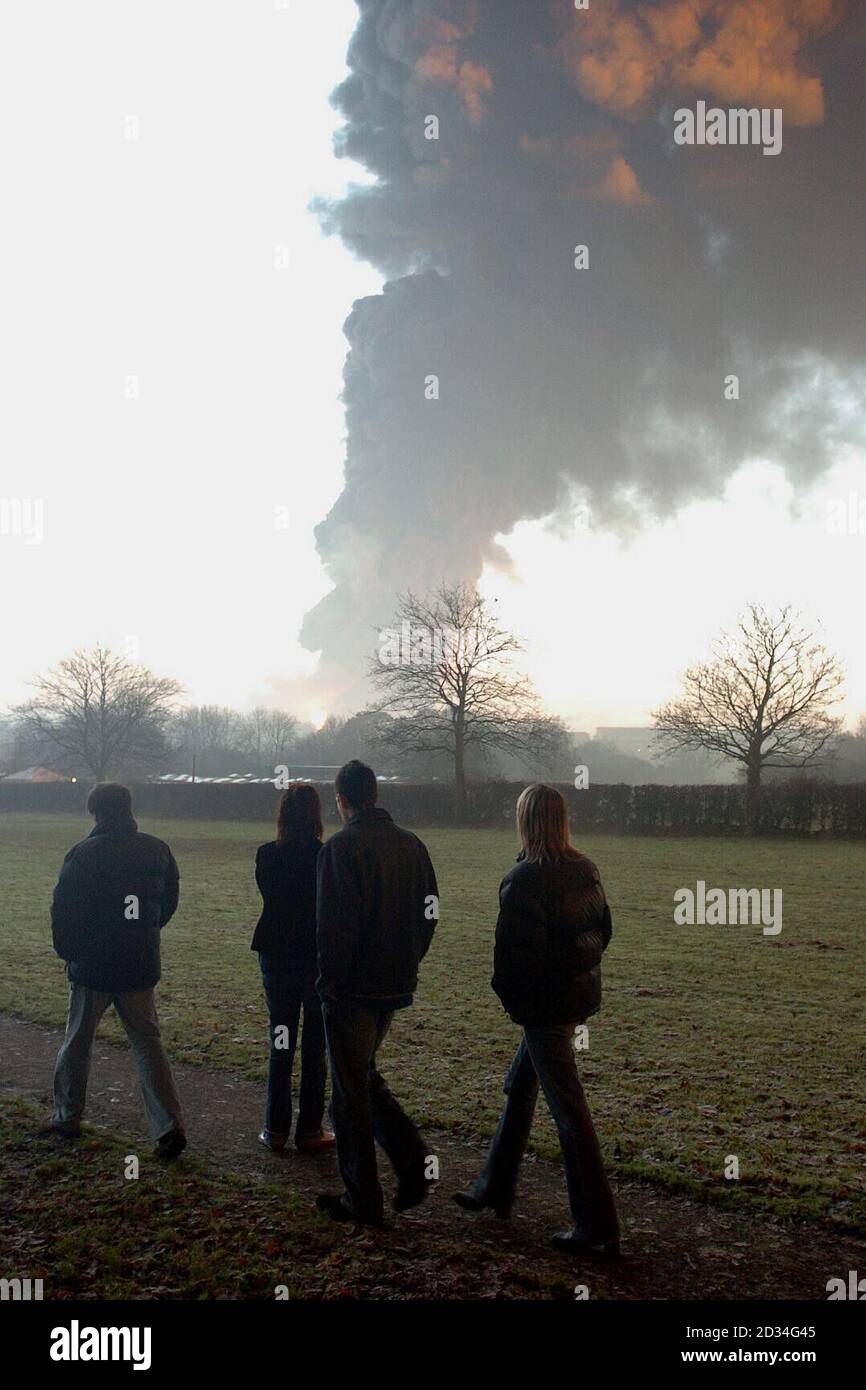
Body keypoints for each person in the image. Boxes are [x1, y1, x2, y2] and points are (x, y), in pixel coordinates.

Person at [453, 783, 620, 1256]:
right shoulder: (585, 869)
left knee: (570, 1114)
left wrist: (516, 1002)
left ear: (526, 821)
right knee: (521, 1088)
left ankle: (598, 1227)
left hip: (543, 1009)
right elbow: (603, 931)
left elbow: (511, 962)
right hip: (573, 1000)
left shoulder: (523, 880)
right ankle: (494, 1186)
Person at [314, 759, 439, 1225]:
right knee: (362, 1077)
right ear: (376, 794)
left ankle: (363, 1198)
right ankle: (410, 1163)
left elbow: (333, 928)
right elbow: (430, 911)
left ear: (341, 801)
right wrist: (411, 958)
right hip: (395, 981)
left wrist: (330, 983)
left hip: (352, 989)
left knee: (348, 1094)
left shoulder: (339, 851)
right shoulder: (412, 846)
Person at [48, 782, 186, 1159]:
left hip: (93, 966)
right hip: (139, 963)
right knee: (148, 1044)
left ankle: (67, 1114)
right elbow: (166, 903)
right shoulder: (158, 850)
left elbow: (65, 911)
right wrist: (144, 932)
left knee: (78, 1041)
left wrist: (70, 953)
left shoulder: (83, 854)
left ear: (95, 812)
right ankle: (168, 1125)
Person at [251, 784, 334, 1154]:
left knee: (280, 1039)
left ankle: (275, 1128)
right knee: (315, 1045)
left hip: (276, 953)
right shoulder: (325, 857)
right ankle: (310, 1129)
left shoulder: (267, 856)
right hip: (313, 957)